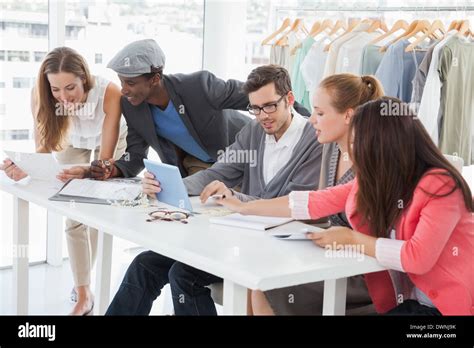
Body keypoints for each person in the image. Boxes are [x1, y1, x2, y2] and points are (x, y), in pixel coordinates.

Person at [217, 97, 474, 316]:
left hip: (445, 311)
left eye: (359, 140)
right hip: (411, 303)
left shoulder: (439, 184)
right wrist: (244, 206)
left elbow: (417, 258)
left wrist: (351, 238)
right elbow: (317, 201)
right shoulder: (386, 178)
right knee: (262, 290)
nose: (355, 148)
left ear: (383, 143)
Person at [106, 64, 323, 315]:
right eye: (255, 108)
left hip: (275, 247)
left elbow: (292, 204)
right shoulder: (254, 130)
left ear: (290, 99)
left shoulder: (313, 140)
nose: (263, 116)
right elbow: (218, 172)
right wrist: (166, 186)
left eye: (270, 106)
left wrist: (234, 197)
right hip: (242, 236)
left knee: (184, 275)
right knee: (144, 264)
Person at [0, 47, 127, 315]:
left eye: (70, 87)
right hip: (75, 138)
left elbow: (102, 166)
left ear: (85, 78)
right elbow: (43, 156)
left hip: (109, 144)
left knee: (95, 203)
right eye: (56, 90)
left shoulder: (109, 93)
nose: (63, 97)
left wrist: (85, 173)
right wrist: (24, 170)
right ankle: (84, 293)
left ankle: (86, 280)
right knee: (73, 211)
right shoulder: (42, 94)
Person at [251, 73, 385, 315]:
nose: (311, 119)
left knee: (266, 287)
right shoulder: (331, 149)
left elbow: (381, 240)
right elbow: (317, 207)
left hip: (366, 270)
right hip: (331, 258)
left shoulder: (376, 163)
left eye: (320, 113)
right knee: (258, 279)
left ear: (348, 115)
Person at [88, 39, 310, 181]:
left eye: (131, 83)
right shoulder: (131, 106)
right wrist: (112, 169)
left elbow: (255, 95)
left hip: (242, 157)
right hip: (197, 168)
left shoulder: (199, 86)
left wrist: (309, 123)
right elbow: (135, 156)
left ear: (155, 78)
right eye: (122, 82)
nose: (124, 90)